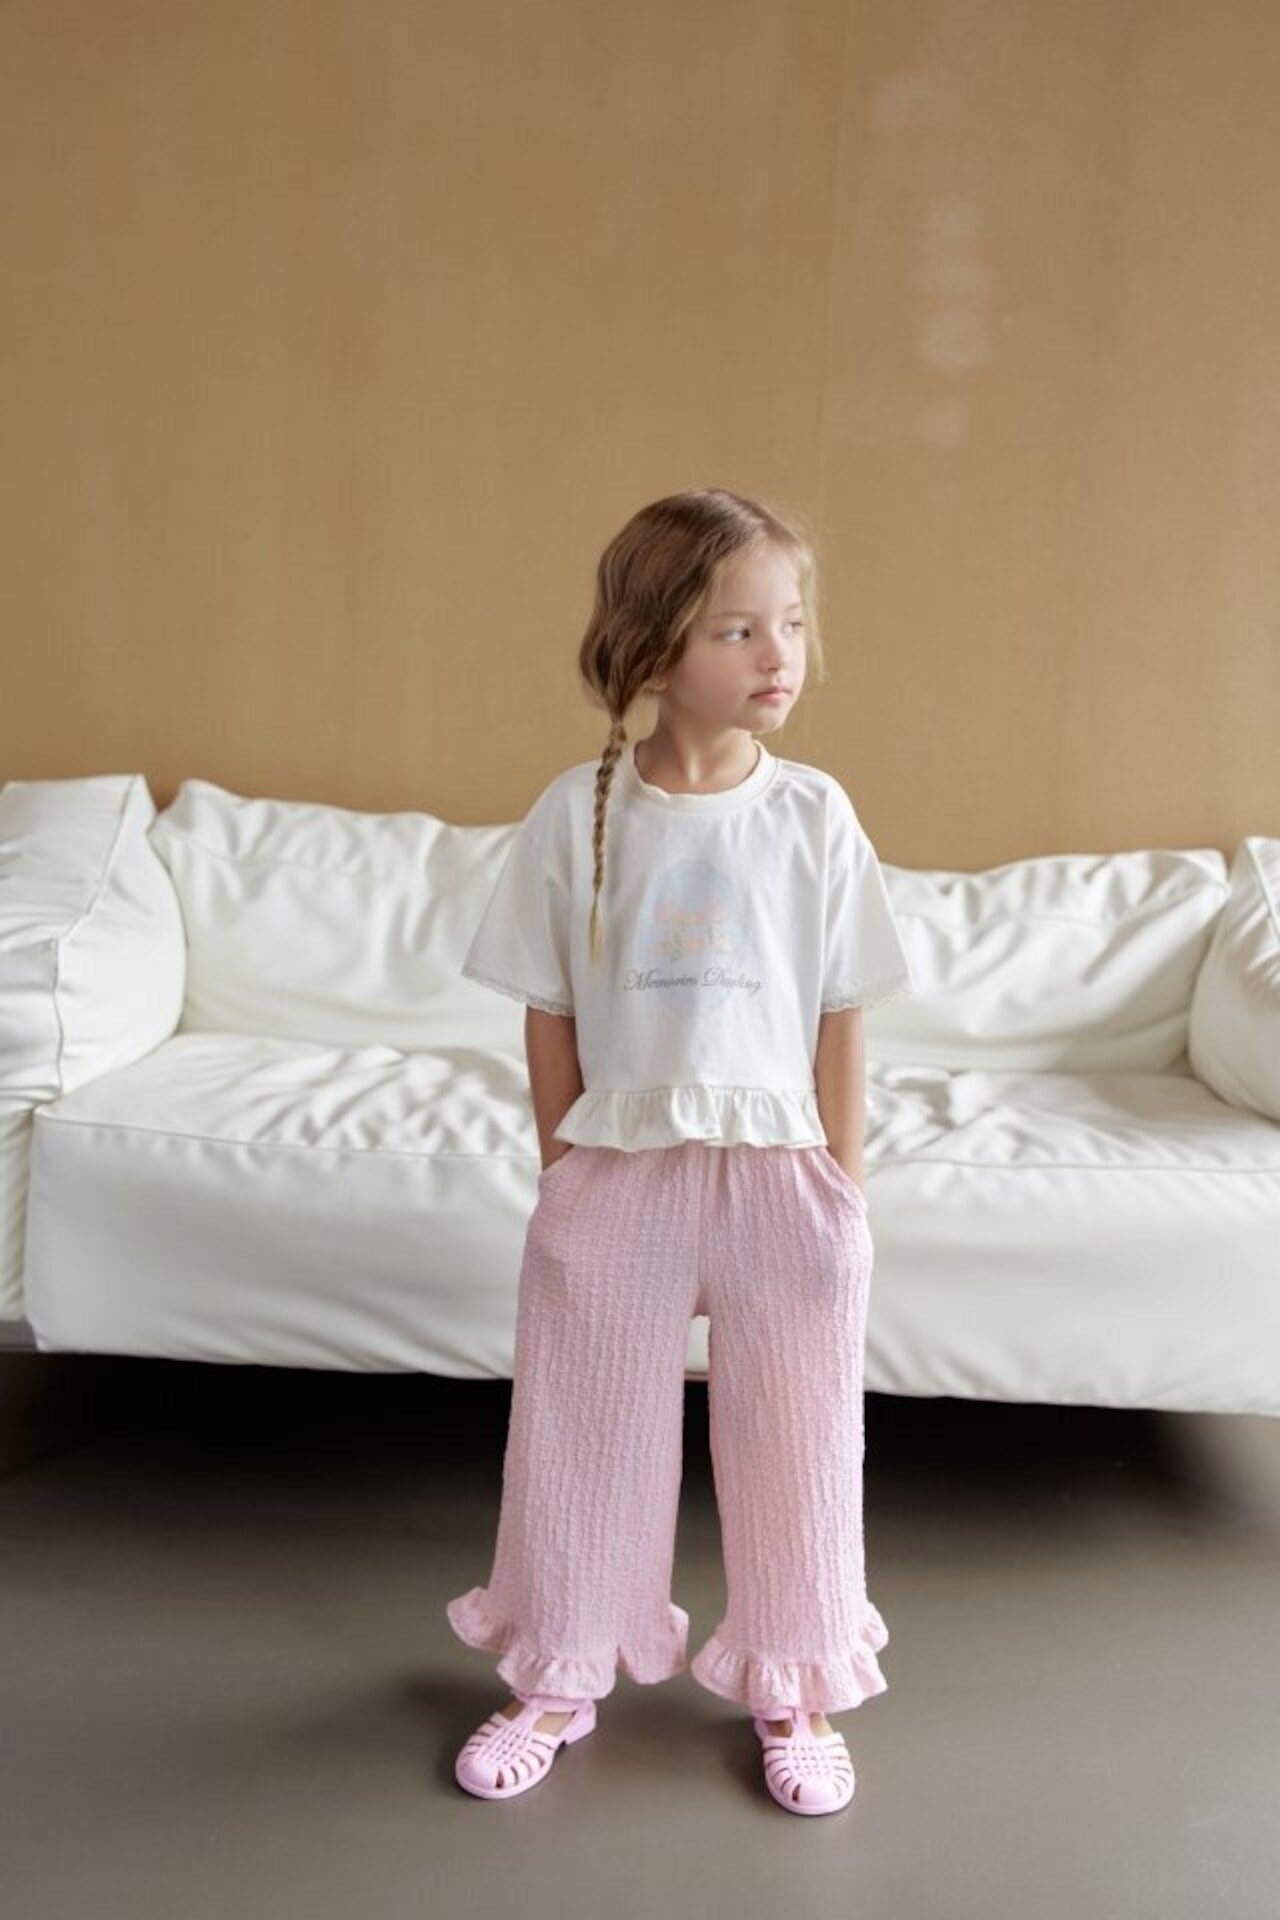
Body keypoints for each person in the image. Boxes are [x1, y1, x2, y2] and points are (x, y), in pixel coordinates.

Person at [446, 487, 914, 1815]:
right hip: (621, 1174)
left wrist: (842, 1188)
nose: (780, 656)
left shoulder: (813, 814)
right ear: (654, 648)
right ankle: (558, 1672)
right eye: (739, 631)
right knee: (582, 1438)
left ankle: (797, 1684)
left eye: (793, 625)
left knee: (800, 1444)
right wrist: (565, 1174)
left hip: (782, 1177)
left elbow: (840, 1014)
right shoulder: (577, 813)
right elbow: (546, 1011)